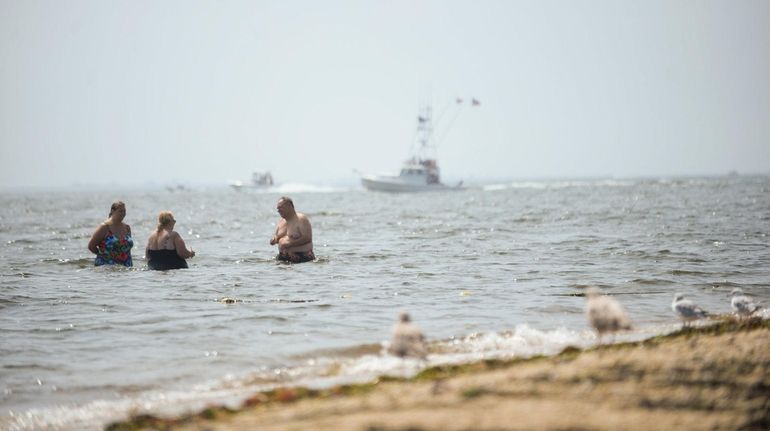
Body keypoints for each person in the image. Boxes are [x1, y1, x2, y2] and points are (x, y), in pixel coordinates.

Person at [88, 201, 134, 267]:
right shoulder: (104, 227)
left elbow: (128, 249)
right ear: (113, 211)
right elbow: (91, 246)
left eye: (124, 211)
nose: (123, 213)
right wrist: (104, 255)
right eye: (120, 211)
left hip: (126, 268)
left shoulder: (127, 228)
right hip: (106, 269)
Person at [269, 196, 315, 263]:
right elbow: (276, 236)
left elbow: (307, 238)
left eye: (280, 207)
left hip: (302, 258)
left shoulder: (301, 219)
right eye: (277, 208)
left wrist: (290, 244)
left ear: (289, 206)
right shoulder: (281, 222)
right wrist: (274, 239)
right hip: (283, 258)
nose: (278, 210)